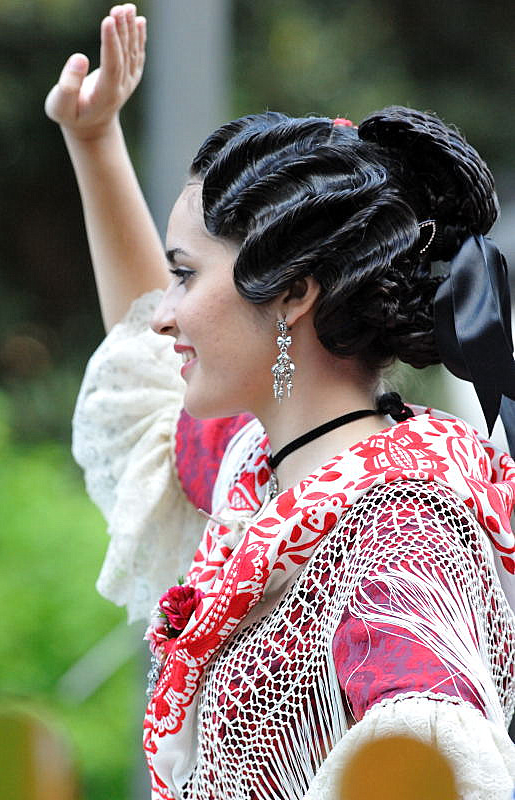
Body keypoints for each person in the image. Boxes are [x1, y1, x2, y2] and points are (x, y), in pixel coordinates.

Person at [45, 5, 515, 799]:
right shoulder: (267, 472)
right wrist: (94, 141)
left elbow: (442, 766)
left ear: (294, 291)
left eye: (186, 276)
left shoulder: (396, 530)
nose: (164, 314)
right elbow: (149, 375)